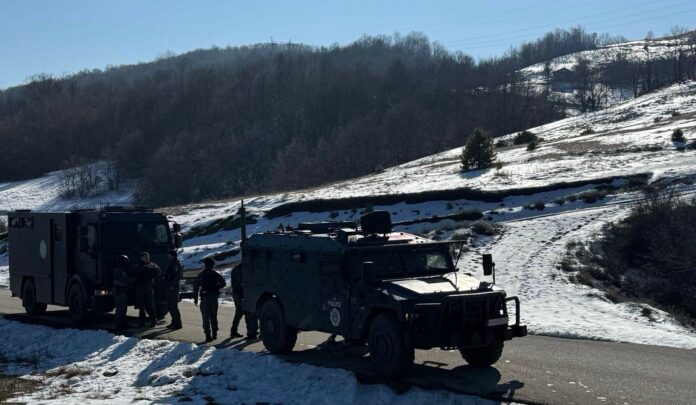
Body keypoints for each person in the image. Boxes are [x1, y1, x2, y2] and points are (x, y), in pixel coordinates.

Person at [193, 257, 226, 342]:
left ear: (205, 265)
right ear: (212, 265)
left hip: (205, 298)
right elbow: (223, 283)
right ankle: (214, 333)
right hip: (214, 297)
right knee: (213, 315)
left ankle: (208, 335)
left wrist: (195, 298)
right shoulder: (215, 274)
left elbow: (195, 287)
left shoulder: (201, 274)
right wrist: (216, 288)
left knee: (205, 317)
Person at [229, 263, 258, 340]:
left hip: (236, 293)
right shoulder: (245, 268)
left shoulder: (235, 269)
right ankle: (251, 333)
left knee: (239, 313)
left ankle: (233, 331)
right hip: (242, 294)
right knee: (248, 312)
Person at [134, 251, 160, 327]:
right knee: (141, 307)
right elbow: (136, 270)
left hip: (149, 287)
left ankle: (154, 321)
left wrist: (156, 267)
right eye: (145, 257)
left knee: (150, 305)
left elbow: (158, 273)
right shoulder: (139, 264)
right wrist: (146, 267)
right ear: (141, 258)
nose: (147, 258)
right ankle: (142, 322)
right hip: (140, 288)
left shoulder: (151, 264)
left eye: (148, 257)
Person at [164, 249, 183, 330]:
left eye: (169, 254)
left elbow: (177, 277)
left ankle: (178, 324)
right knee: (170, 306)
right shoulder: (173, 263)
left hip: (173, 288)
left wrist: (172, 285)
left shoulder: (176, 264)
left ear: (172, 255)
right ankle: (174, 322)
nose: (167, 256)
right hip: (170, 287)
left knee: (173, 306)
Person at [113, 254, 131, 331]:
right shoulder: (118, 270)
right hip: (119, 291)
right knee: (120, 310)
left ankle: (123, 324)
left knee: (123, 309)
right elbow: (122, 280)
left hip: (122, 291)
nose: (127, 262)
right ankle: (119, 326)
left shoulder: (121, 269)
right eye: (126, 261)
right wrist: (129, 281)